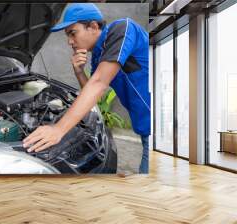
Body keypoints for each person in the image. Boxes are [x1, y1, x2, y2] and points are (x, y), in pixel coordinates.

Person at [22, 3, 150, 174]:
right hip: (145, 127)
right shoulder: (99, 57)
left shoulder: (123, 29)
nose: (70, 42)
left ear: (93, 26)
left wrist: (58, 129)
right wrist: (79, 71)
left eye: (72, 33)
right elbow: (95, 97)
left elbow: (98, 83)